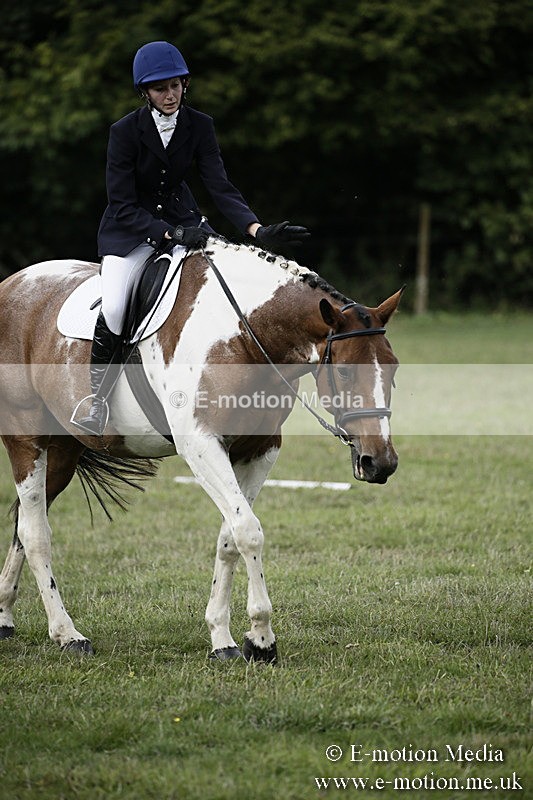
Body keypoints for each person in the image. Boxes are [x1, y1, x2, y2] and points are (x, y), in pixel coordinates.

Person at [72, 40, 309, 436]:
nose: (170, 95)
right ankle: (96, 401)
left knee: (221, 287)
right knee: (113, 306)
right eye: (160, 88)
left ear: (185, 84)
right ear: (144, 92)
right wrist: (170, 232)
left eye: (176, 86)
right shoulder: (124, 133)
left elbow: (220, 185)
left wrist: (257, 230)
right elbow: (122, 203)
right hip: (130, 233)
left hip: (186, 225)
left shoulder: (200, 125)